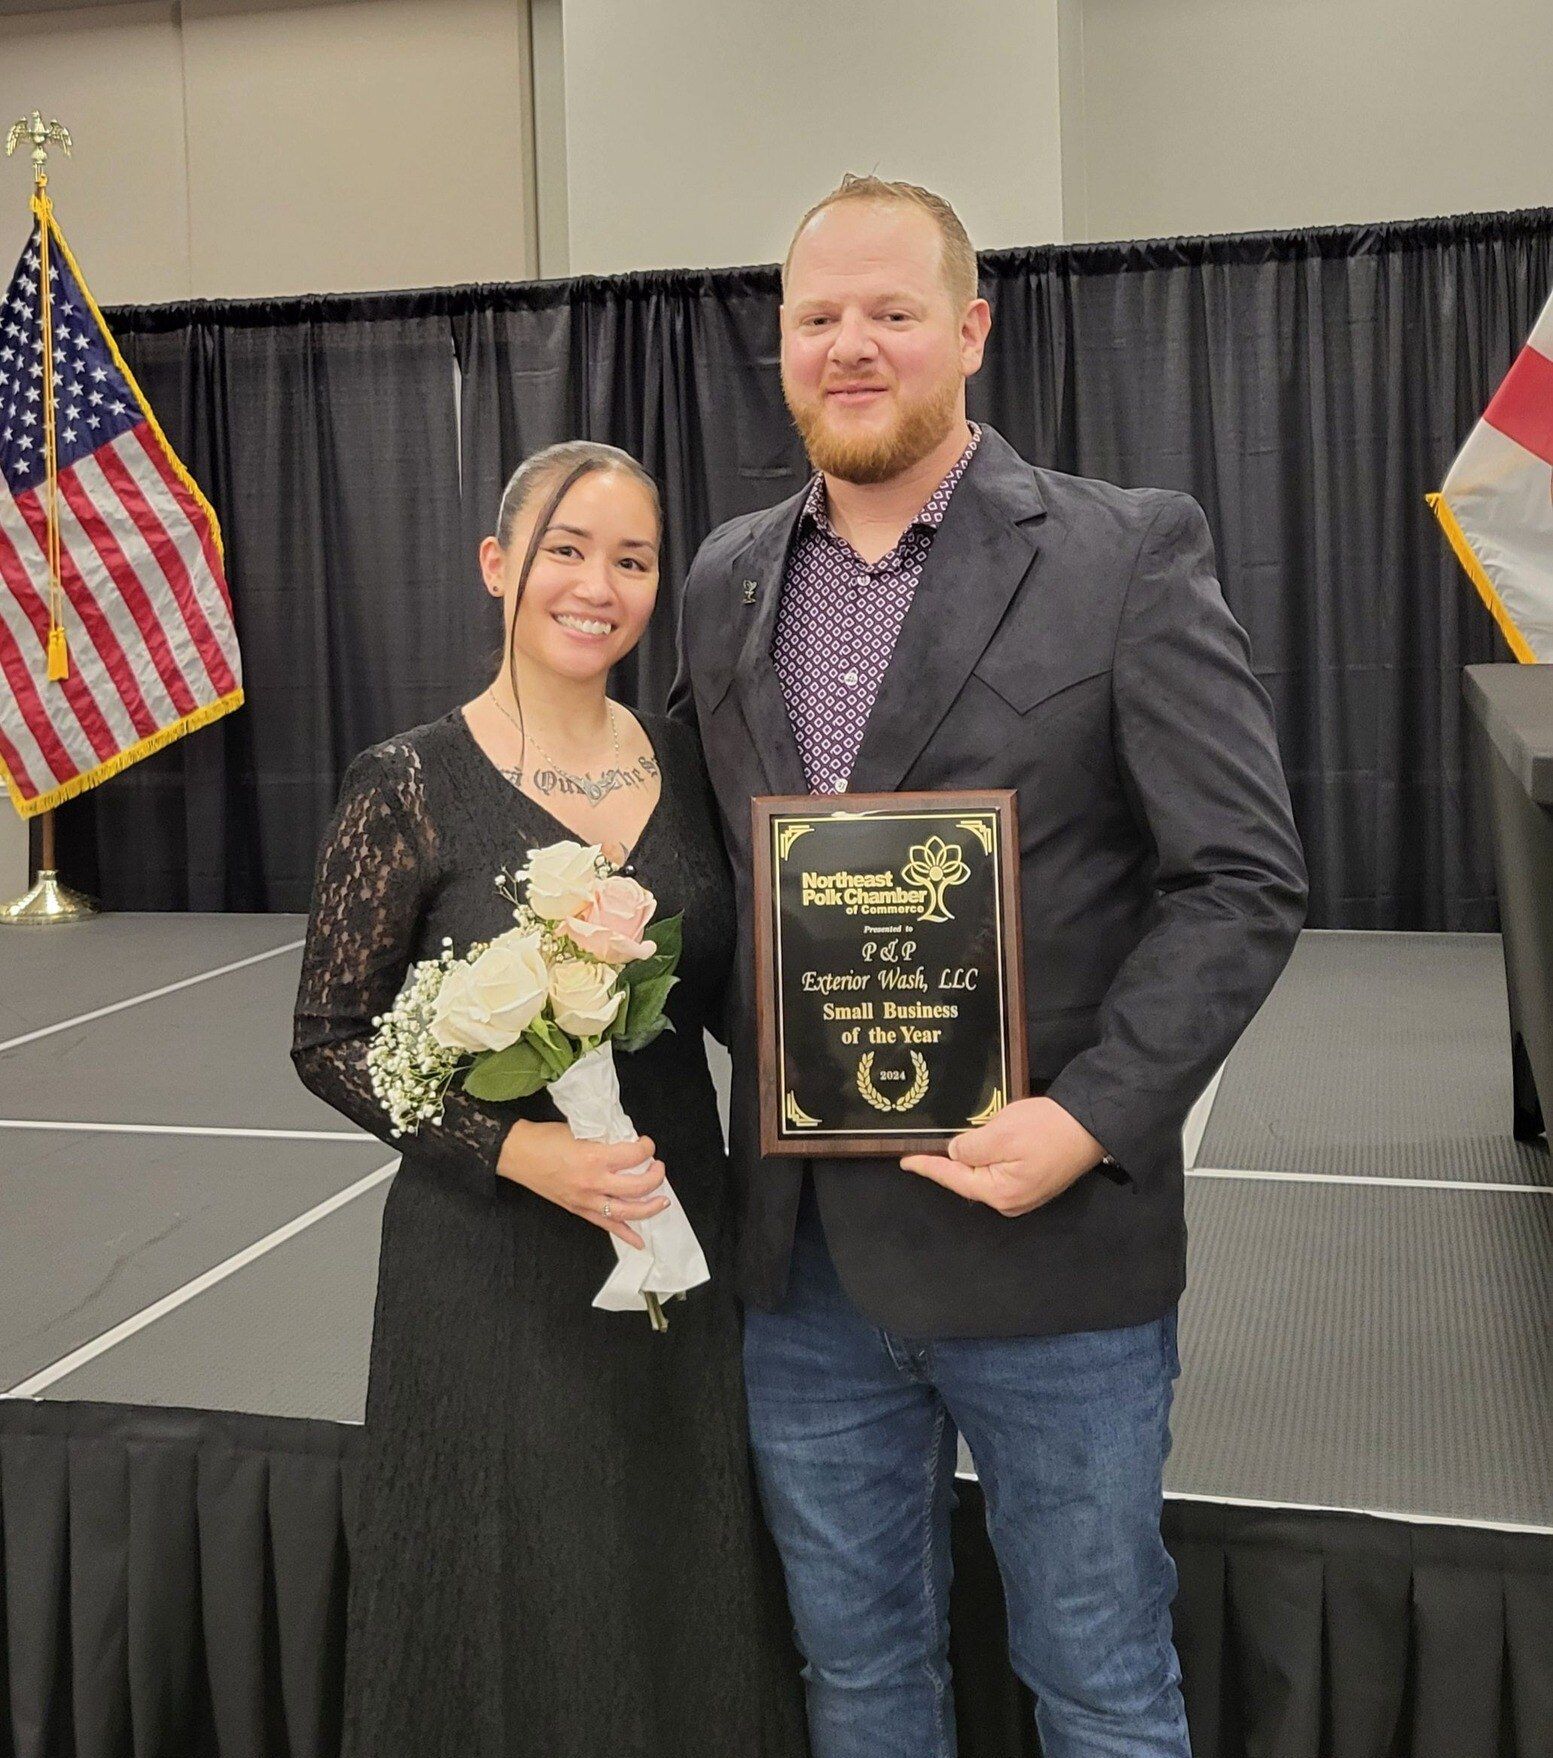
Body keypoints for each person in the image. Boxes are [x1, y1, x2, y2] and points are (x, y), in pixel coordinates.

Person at [668, 175, 1309, 1758]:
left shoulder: (1123, 551)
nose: (852, 346)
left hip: (1049, 1260)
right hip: (801, 1266)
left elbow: (1239, 878)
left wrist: (1087, 1120)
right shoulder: (723, 577)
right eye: (818, 317)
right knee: (861, 1684)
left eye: (890, 312)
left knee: (1097, 1686)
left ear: (969, 329)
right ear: (780, 344)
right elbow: (711, 884)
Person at [291, 441, 806, 1758]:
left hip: (673, 1236)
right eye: (566, 548)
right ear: (496, 565)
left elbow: (755, 1001)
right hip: (490, 1261)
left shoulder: (698, 766)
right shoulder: (404, 780)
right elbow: (332, 1039)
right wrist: (515, 1151)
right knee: (500, 1584)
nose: (596, 582)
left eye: (630, 559)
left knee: (676, 1569)